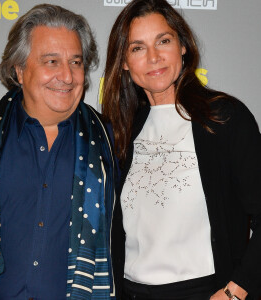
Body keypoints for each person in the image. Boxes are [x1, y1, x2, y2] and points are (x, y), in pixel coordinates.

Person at [102, 0, 261, 299]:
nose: (154, 57)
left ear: (182, 46)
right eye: (137, 48)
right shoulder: (119, 133)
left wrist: (237, 290)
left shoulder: (225, 119)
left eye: (163, 41)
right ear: (123, 61)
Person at [0, 4, 116, 300]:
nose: (67, 76)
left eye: (75, 62)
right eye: (51, 61)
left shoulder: (110, 141)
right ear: (19, 70)